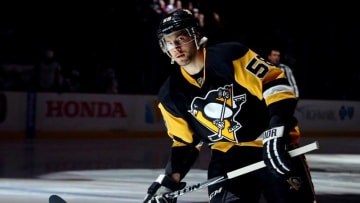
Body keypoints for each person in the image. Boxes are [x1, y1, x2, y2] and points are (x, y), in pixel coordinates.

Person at [143, 9, 316, 203]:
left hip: (271, 147)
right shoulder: (170, 95)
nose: (175, 47)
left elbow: (276, 85)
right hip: (227, 158)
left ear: (196, 35)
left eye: (180, 38)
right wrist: (169, 180)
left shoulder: (231, 56)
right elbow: (185, 143)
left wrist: (276, 133)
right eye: (168, 42)